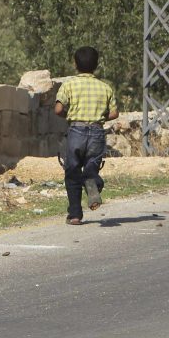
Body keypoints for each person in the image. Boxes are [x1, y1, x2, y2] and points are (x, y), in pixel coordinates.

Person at [54, 46, 119, 225]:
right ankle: (93, 184)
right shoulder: (105, 87)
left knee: (72, 171)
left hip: (76, 130)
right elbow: (114, 113)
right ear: (96, 65)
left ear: (75, 65)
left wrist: (68, 115)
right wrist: (99, 116)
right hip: (97, 132)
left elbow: (58, 108)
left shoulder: (69, 85)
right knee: (91, 168)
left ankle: (75, 214)